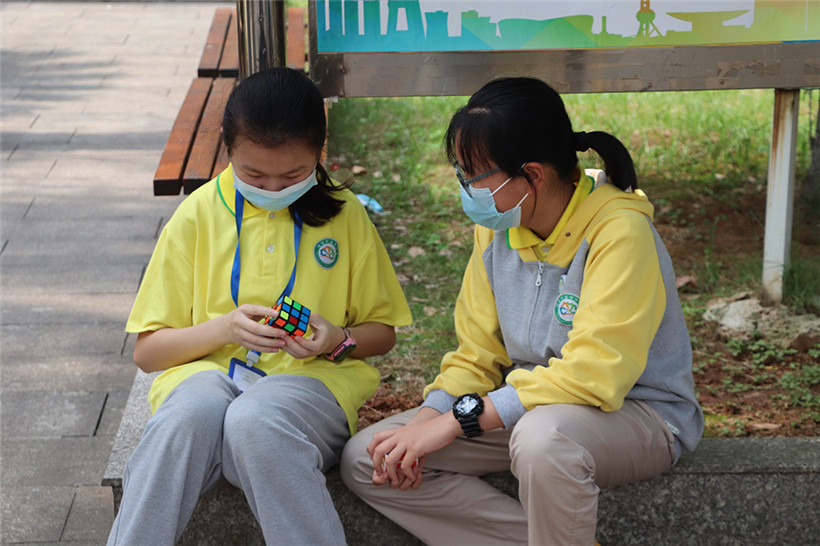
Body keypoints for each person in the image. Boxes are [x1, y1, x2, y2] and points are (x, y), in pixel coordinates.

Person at [341, 77, 703, 545]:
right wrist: (426, 419)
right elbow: (476, 353)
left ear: (531, 175)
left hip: (638, 413)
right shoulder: (498, 230)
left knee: (542, 441)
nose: (465, 188)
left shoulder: (619, 232)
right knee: (370, 459)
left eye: (473, 175)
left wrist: (458, 421)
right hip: (528, 408)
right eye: (460, 173)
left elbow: (594, 374)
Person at [108, 67, 412, 545]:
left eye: (292, 174)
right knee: (190, 417)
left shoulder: (346, 215)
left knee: (256, 422)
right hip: (203, 379)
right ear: (229, 151)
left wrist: (336, 340)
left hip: (313, 383)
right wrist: (225, 329)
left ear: (319, 151)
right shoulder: (197, 214)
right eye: (253, 174)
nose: (273, 189)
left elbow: (383, 333)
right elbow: (148, 353)